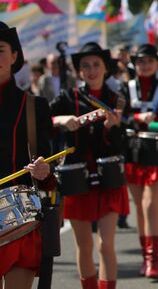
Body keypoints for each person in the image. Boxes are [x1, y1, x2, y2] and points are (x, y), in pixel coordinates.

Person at [50, 42, 128, 289]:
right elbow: (43, 122)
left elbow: (122, 145)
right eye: (85, 66)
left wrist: (114, 128)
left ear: (106, 68)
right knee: (83, 245)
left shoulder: (117, 99)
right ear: (79, 71)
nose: (91, 70)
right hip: (76, 179)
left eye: (96, 65)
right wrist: (61, 120)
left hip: (109, 178)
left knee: (105, 244)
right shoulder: (67, 98)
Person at [0, 22, 56, 289]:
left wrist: (44, 171)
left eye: (0, 50)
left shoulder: (35, 106)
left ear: (14, 56)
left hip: (21, 217)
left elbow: (49, 163)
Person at [124, 43, 158, 279]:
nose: (145, 66)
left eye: (149, 61)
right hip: (133, 152)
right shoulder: (125, 89)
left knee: (150, 204)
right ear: (134, 65)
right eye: (140, 61)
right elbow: (120, 117)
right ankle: (145, 256)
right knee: (139, 207)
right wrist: (136, 118)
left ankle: (153, 259)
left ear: (157, 64)